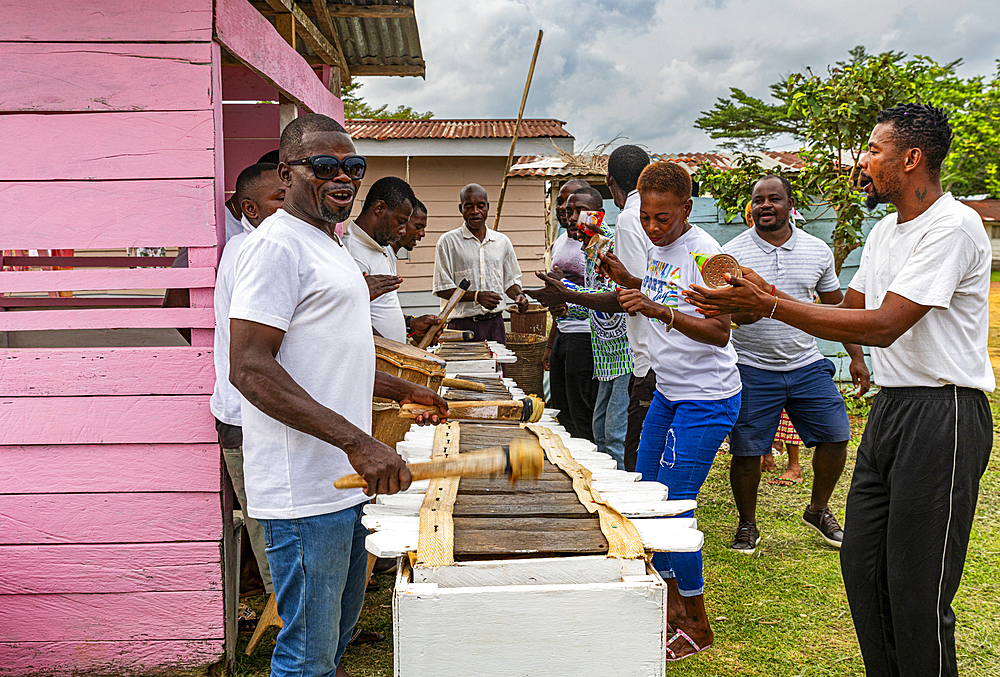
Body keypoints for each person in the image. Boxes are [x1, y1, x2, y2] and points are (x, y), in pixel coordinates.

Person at [684, 103, 993, 677]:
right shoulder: (883, 230)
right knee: (864, 566)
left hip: (944, 412)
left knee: (917, 588)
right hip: (893, 408)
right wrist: (752, 293)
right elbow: (848, 307)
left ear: (912, 158)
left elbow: (884, 324)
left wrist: (769, 304)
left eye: (875, 151)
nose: (864, 163)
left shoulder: (953, 226)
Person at [228, 113, 450, 677]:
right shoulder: (276, 246)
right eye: (324, 165)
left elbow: (337, 354)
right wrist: (359, 443)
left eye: (352, 166)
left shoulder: (325, 244)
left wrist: (407, 389)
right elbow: (250, 369)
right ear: (287, 173)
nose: (343, 176)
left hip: (343, 486)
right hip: (305, 492)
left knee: (334, 642)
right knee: (306, 655)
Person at [530, 160, 741, 661]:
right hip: (668, 389)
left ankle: (699, 622)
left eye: (663, 218)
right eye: (645, 216)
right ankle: (668, 611)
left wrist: (658, 310)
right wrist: (624, 279)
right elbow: (647, 293)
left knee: (675, 507)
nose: (651, 226)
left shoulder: (709, 256)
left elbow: (720, 331)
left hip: (707, 396)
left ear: (687, 209)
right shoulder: (654, 247)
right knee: (646, 498)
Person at [723, 174, 871, 554]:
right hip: (752, 366)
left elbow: (838, 311)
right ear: (751, 208)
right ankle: (747, 524)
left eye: (774, 199)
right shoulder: (732, 254)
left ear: (790, 205)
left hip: (806, 363)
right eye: (758, 201)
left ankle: (818, 510)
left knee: (837, 436)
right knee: (746, 451)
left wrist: (856, 356)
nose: (765, 206)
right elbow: (723, 312)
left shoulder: (817, 250)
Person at [210, 162, 285, 596]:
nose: (290, 206)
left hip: (265, 409)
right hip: (246, 414)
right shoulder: (248, 251)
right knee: (269, 528)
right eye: (279, 199)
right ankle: (291, 629)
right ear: (249, 209)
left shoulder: (268, 246)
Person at [564, 186, 632, 468]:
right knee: (600, 430)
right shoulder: (590, 250)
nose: (570, 218)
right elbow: (594, 301)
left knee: (615, 435)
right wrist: (564, 302)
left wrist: (568, 294)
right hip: (605, 358)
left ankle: (624, 496)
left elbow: (616, 299)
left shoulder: (611, 245)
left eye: (577, 211)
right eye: (568, 212)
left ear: (597, 215)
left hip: (626, 356)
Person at [343, 177, 440, 344]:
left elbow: (381, 310)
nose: (403, 231)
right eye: (401, 222)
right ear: (379, 208)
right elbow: (350, 321)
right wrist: (394, 351)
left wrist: (411, 324)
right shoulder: (351, 252)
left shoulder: (380, 247)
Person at [606, 146, 654, 471]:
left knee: (637, 455)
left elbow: (636, 295)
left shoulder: (627, 218)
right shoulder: (654, 212)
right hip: (666, 351)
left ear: (611, 183)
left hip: (650, 355)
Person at [432, 183, 529, 343]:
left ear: (488, 207)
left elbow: (510, 282)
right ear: (460, 209)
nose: (475, 211)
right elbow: (442, 288)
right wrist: (477, 296)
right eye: (468, 206)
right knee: (466, 368)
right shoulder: (448, 242)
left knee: (497, 368)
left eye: (480, 206)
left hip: (495, 325)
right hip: (462, 326)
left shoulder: (502, 242)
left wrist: (519, 296)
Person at [546, 179, 597, 443]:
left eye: (573, 204)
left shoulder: (594, 242)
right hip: (564, 335)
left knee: (582, 415)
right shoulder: (559, 243)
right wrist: (550, 344)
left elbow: (603, 296)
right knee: (562, 412)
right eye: (561, 202)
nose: (566, 209)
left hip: (586, 337)